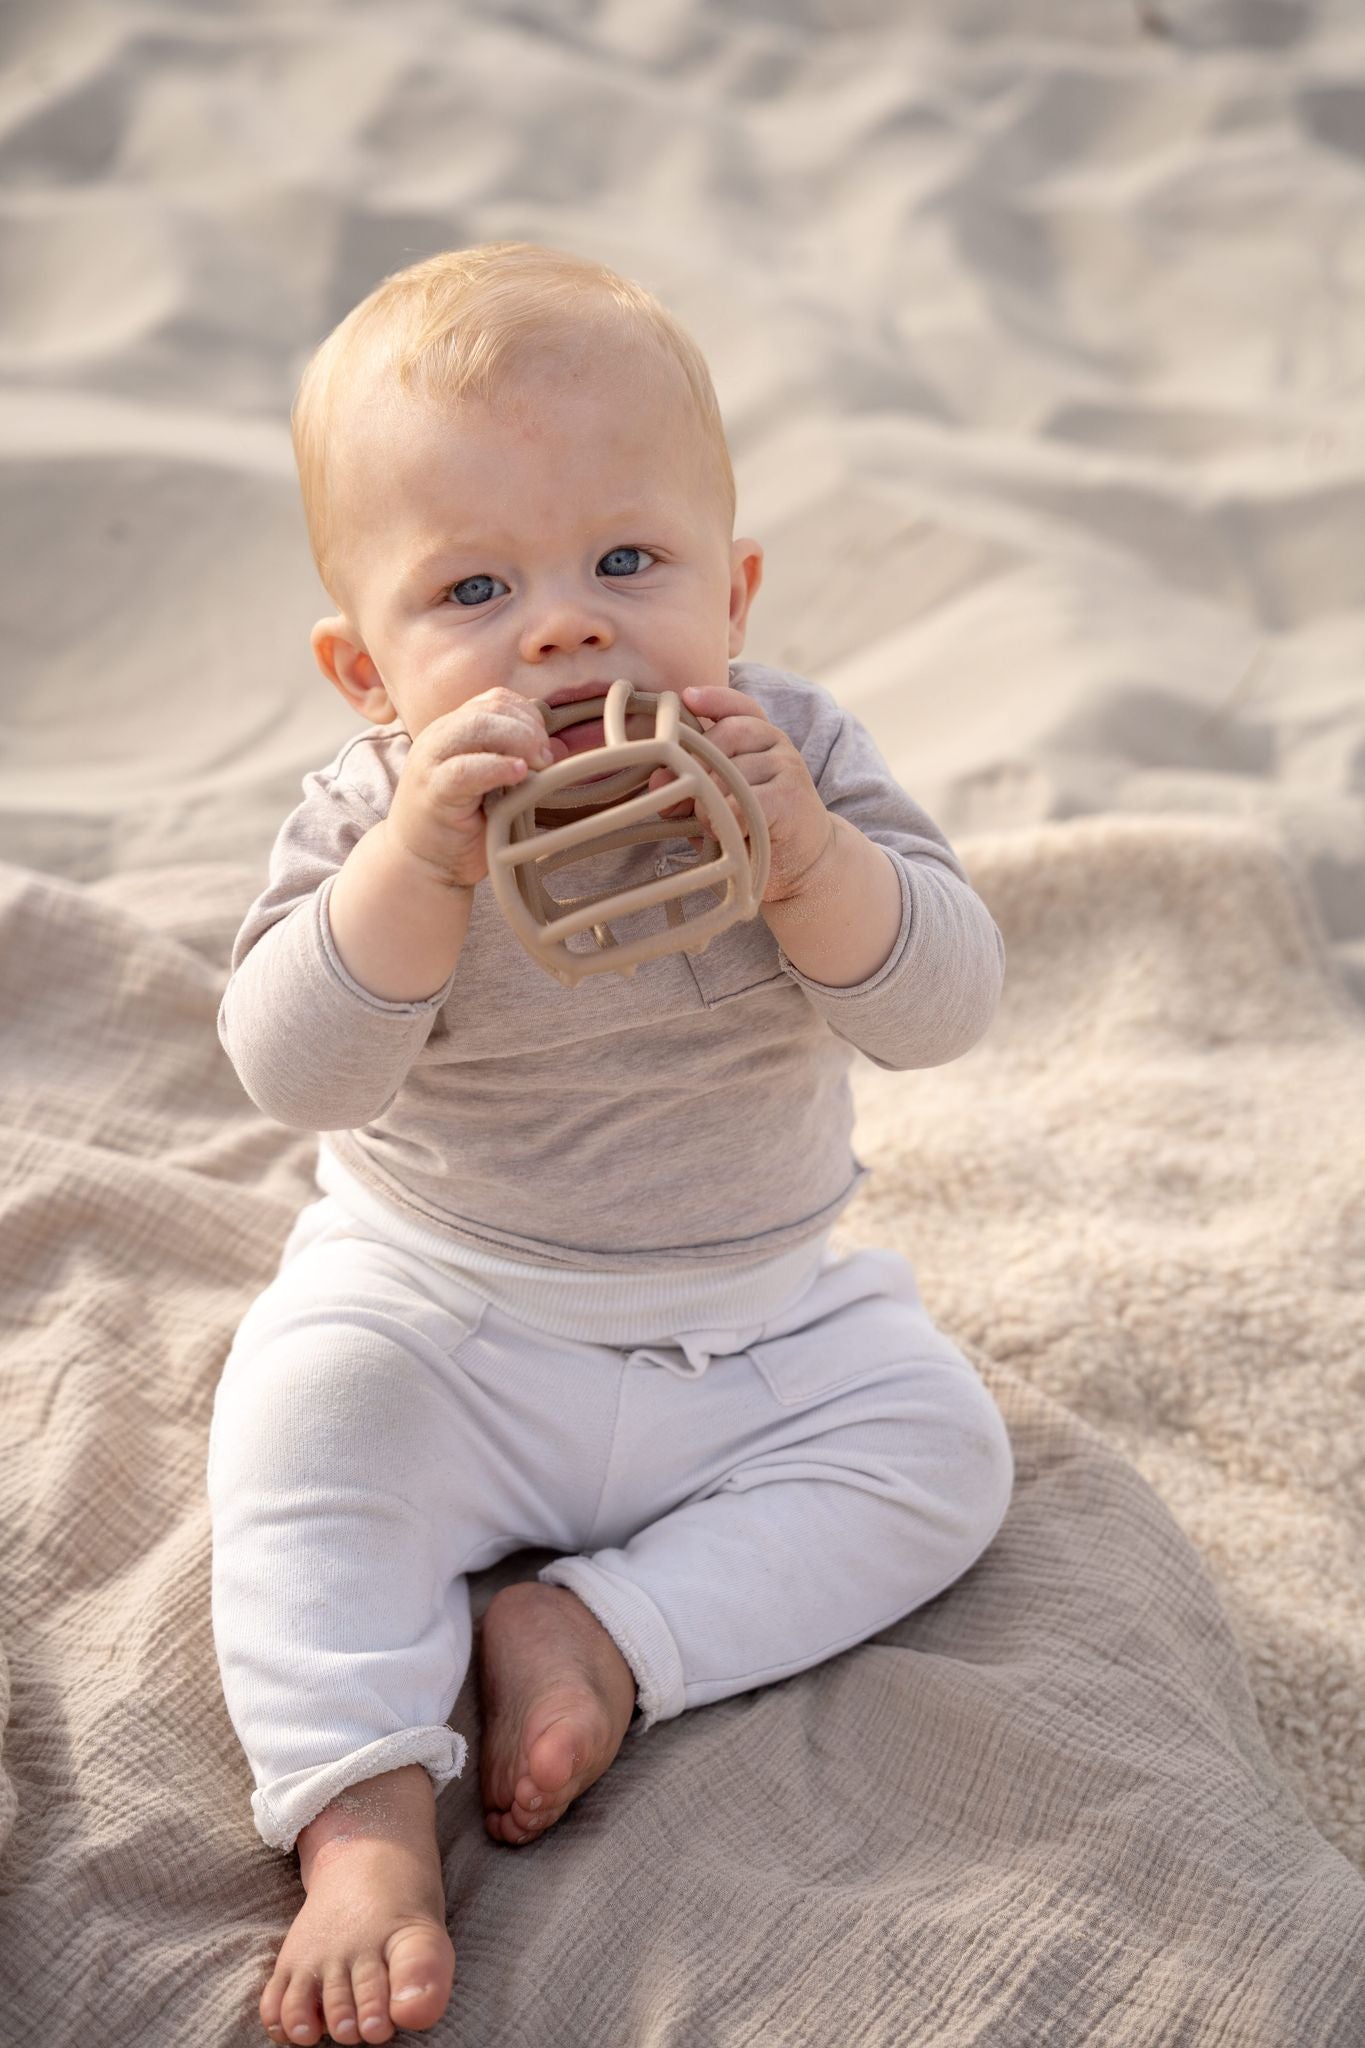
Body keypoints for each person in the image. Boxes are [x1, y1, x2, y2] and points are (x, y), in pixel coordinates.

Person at [209, 241, 1015, 2048]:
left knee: (942, 1452)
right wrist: (408, 874)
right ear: (364, 667)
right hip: (450, 1317)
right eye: (475, 585)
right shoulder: (366, 808)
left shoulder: (789, 754)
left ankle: (604, 1634)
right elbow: (291, 1073)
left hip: (755, 1328)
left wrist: (815, 866)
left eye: (624, 563)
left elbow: (942, 1008)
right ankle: (359, 1818)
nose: (563, 624)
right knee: (298, 1426)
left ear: (731, 590)